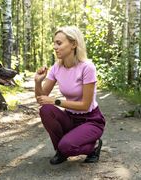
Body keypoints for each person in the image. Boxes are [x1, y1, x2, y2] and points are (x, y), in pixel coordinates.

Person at [34, 26, 105, 165]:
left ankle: (93, 147)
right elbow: (41, 99)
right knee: (46, 110)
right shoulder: (57, 67)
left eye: (59, 43)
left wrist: (55, 101)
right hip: (70, 118)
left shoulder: (87, 67)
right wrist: (38, 82)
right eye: (54, 43)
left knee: (66, 146)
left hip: (90, 120)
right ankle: (61, 151)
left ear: (73, 44)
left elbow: (85, 105)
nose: (55, 47)